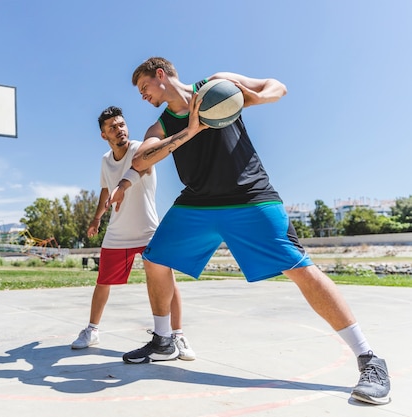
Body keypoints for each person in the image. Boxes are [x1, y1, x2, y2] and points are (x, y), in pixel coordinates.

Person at [119, 57, 390, 405]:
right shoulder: (162, 124)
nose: (143, 96)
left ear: (161, 75)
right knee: (155, 259)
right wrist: (190, 130)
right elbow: (140, 161)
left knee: (301, 269)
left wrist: (249, 96)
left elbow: (277, 87)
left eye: (144, 88)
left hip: (250, 195)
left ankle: (369, 359)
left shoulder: (215, 86)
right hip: (197, 204)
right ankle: (163, 339)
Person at [70, 105, 195, 361]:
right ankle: (92, 330)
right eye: (112, 127)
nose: (119, 130)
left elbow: (144, 168)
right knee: (103, 282)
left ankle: (178, 335)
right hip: (117, 233)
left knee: (167, 282)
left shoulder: (141, 148)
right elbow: (106, 189)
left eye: (121, 124)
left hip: (148, 230)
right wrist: (96, 219)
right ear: (104, 135)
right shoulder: (105, 160)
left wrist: (124, 186)